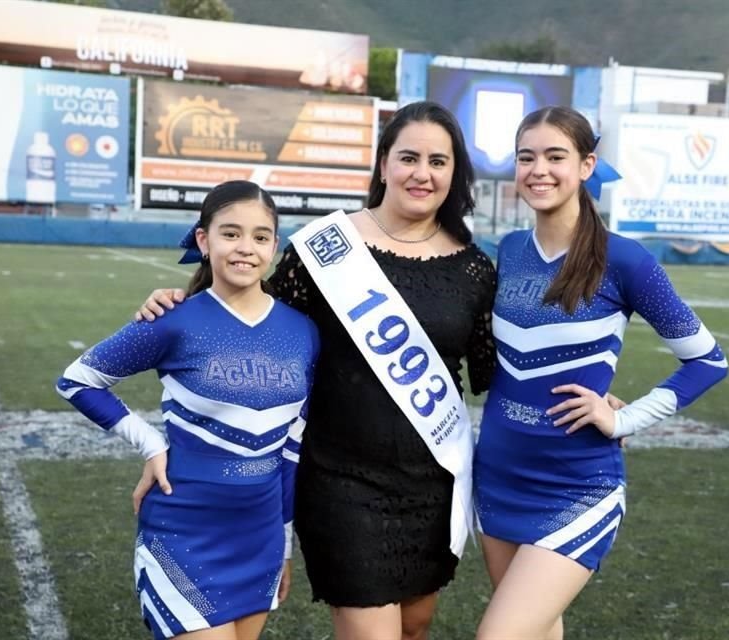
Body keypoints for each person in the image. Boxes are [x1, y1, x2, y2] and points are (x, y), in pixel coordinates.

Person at [135, 101, 498, 640]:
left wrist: (598, 401)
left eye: (438, 161)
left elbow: (492, 373)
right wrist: (182, 301)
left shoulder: (473, 267)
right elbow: (254, 315)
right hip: (339, 480)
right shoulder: (327, 248)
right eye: (408, 157)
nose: (422, 173)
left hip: (433, 482)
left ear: (454, 172)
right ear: (382, 165)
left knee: (414, 629)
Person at [473, 106, 729, 640]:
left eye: (555, 156)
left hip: (577, 486)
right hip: (497, 475)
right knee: (540, 630)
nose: (538, 169)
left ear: (587, 165)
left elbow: (707, 361)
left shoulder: (625, 259)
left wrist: (623, 420)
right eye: (526, 157)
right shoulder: (511, 250)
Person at [57, 180, 319, 640]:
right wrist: (151, 443)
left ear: (275, 246)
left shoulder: (303, 332)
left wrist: (284, 548)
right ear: (203, 240)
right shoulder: (172, 320)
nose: (245, 248)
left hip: (259, 537)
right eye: (230, 233)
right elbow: (78, 380)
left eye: (260, 237)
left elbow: (292, 451)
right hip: (184, 532)